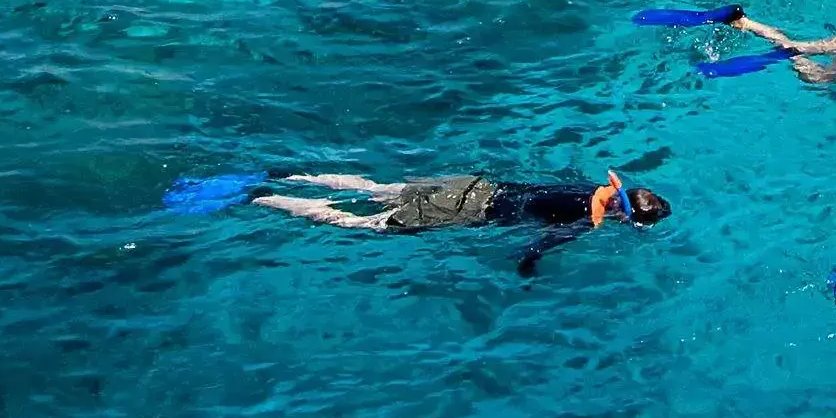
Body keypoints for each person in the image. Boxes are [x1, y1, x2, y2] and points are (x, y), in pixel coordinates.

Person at [254, 169, 668, 274]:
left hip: (473, 185)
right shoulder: (586, 221)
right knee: (362, 224)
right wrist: (528, 266)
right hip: (466, 211)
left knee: (374, 188)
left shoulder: (590, 188)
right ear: (623, 215)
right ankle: (269, 200)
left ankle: (292, 177)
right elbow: (535, 247)